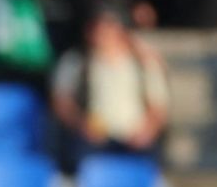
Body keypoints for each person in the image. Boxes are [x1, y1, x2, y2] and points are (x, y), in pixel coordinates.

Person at [51, 9, 169, 162]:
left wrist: (146, 131)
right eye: (98, 27)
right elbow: (61, 103)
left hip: (135, 137)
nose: (103, 32)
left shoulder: (144, 63)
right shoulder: (74, 62)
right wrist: (81, 125)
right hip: (92, 137)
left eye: (109, 26)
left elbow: (159, 106)